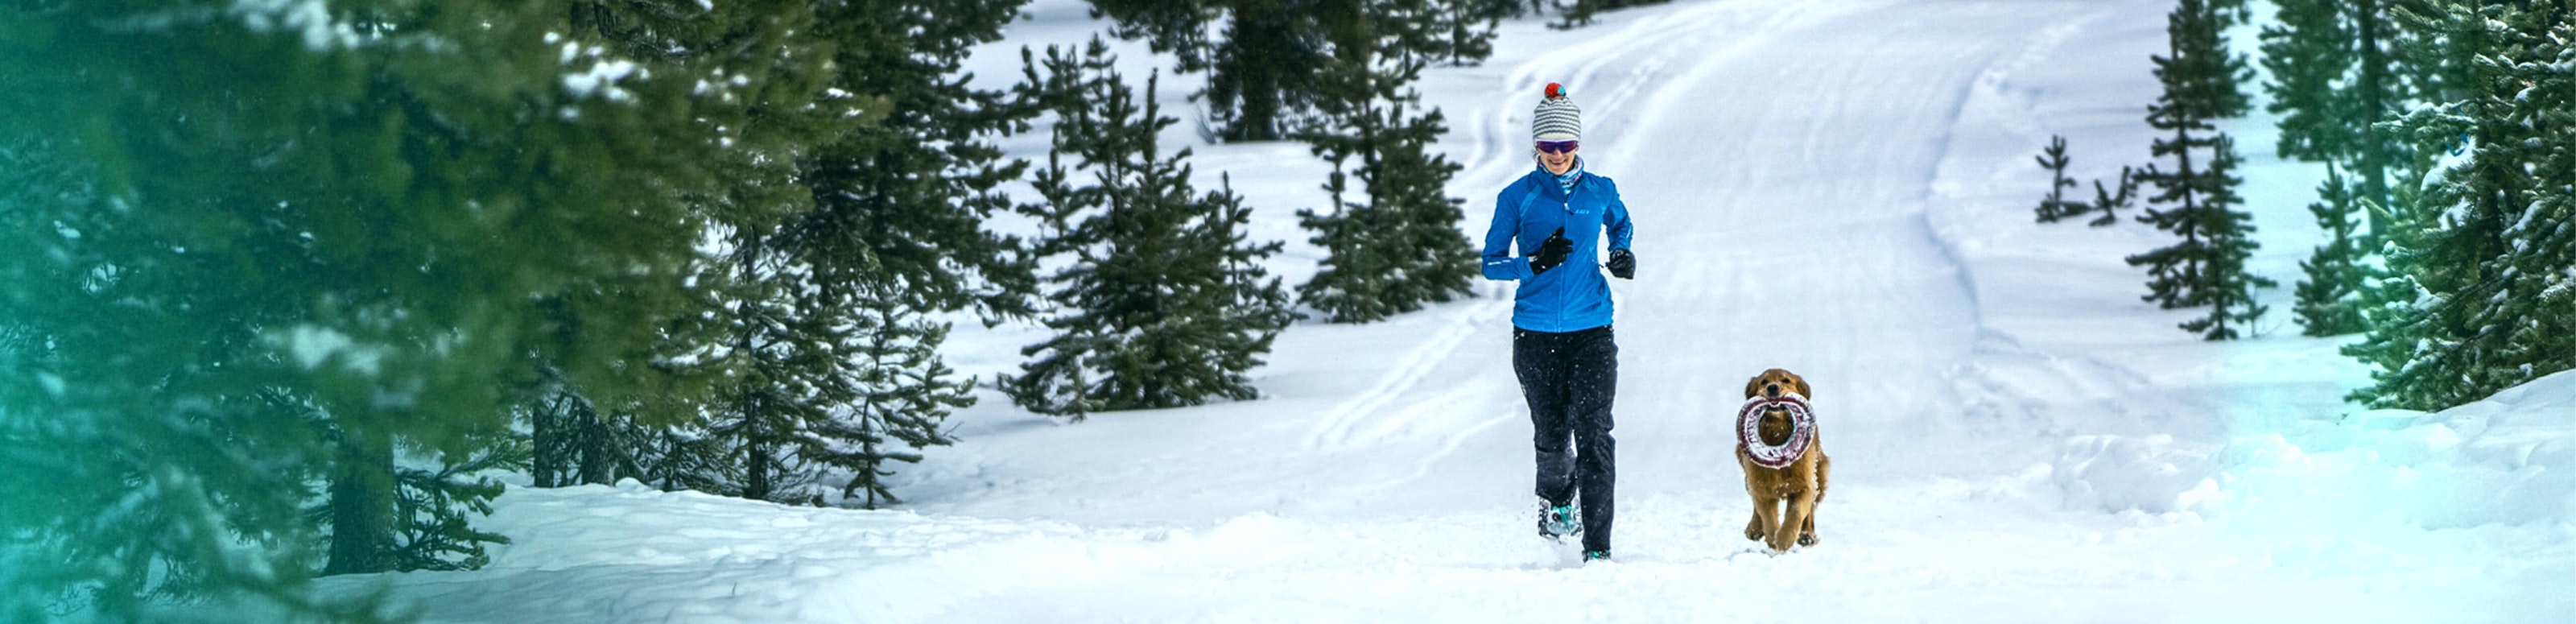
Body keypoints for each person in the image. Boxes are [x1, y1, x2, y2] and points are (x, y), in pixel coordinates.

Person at [1481, 82, 1634, 562]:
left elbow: (1621, 225)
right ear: (1535, 147)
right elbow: (1490, 263)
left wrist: (1622, 251)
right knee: (1551, 436)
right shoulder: (1517, 198)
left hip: (1592, 331)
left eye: (1566, 145)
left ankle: (1599, 547)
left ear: (1578, 144)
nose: (1558, 154)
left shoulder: (1600, 190)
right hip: (1535, 334)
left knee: (1595, 434)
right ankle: (1558, 501)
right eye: (1548, 146)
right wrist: (1533, 262)